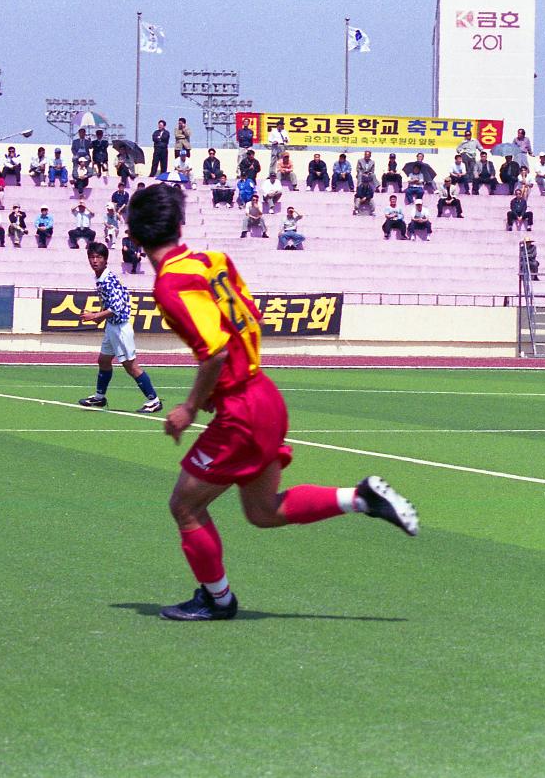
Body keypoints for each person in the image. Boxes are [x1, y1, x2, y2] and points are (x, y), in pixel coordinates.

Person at [124, 183, 418, 621]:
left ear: (133, 238)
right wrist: (219, 388)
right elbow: (246, 319)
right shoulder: (213, 261)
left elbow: (216, 349)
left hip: (242, 409)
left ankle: (217, 600)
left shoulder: (168, 284)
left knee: (184, 506)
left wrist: (189, 405)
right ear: (180, 224)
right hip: (264, 394)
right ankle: (360, 498)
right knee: (263, 512)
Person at [74, 241, 163, 413]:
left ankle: (154, 400)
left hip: (120, 328)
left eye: (98, 257)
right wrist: (100, 317)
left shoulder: (107, 279)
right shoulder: (101, 277)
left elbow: (117, 307)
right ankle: (99, 397)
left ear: (105, 260)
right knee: (104, 360)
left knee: (131, 366)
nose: (94, 260)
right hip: (112, 326)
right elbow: (114, 300)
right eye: (91, 257)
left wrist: (95, 316)